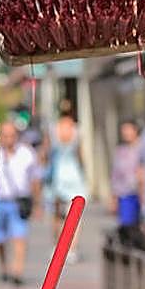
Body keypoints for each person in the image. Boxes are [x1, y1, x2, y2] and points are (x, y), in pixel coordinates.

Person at [0, 120, 40, 286]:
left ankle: (17, 271)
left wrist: (37, 203)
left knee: (19, 236)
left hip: (18, 202)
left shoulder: (27, 153)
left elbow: (35, 179)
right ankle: (4, 267)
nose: (9, 139)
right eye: (5, 136)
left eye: (12, 135)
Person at [47, 100, 89, 261]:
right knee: (75, 213)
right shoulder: (76, 129)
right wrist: (83, 171)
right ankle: (72, 248)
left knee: (56, 213)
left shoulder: (53, 129)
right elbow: (80, 154)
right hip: (73, 172)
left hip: (58, 172)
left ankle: (57, 247)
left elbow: (48, 152)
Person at [110, 120, 144, 247]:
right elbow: (115, 175)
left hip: (141, 191)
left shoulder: (143, 147)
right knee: (127, 224)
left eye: (129, 130)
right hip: (125, 193)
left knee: (141, 224)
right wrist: (113, 197)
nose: (126, 133)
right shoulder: (120, 151)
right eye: (124, 130)